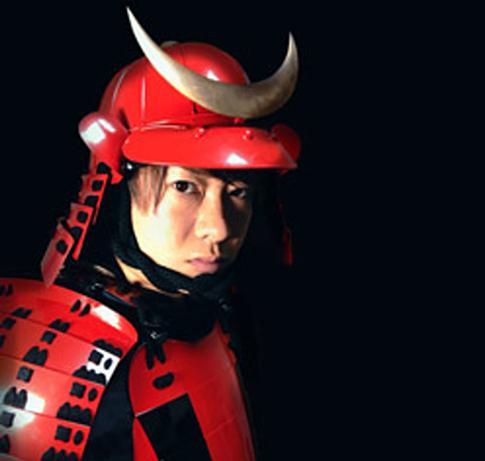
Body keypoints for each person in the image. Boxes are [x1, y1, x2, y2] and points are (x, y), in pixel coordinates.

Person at [0, 8, 300, 461]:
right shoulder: (43, 345)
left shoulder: (225, 313)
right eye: (185, 187)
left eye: (237, 191)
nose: (219, 229)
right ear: (120, 182)